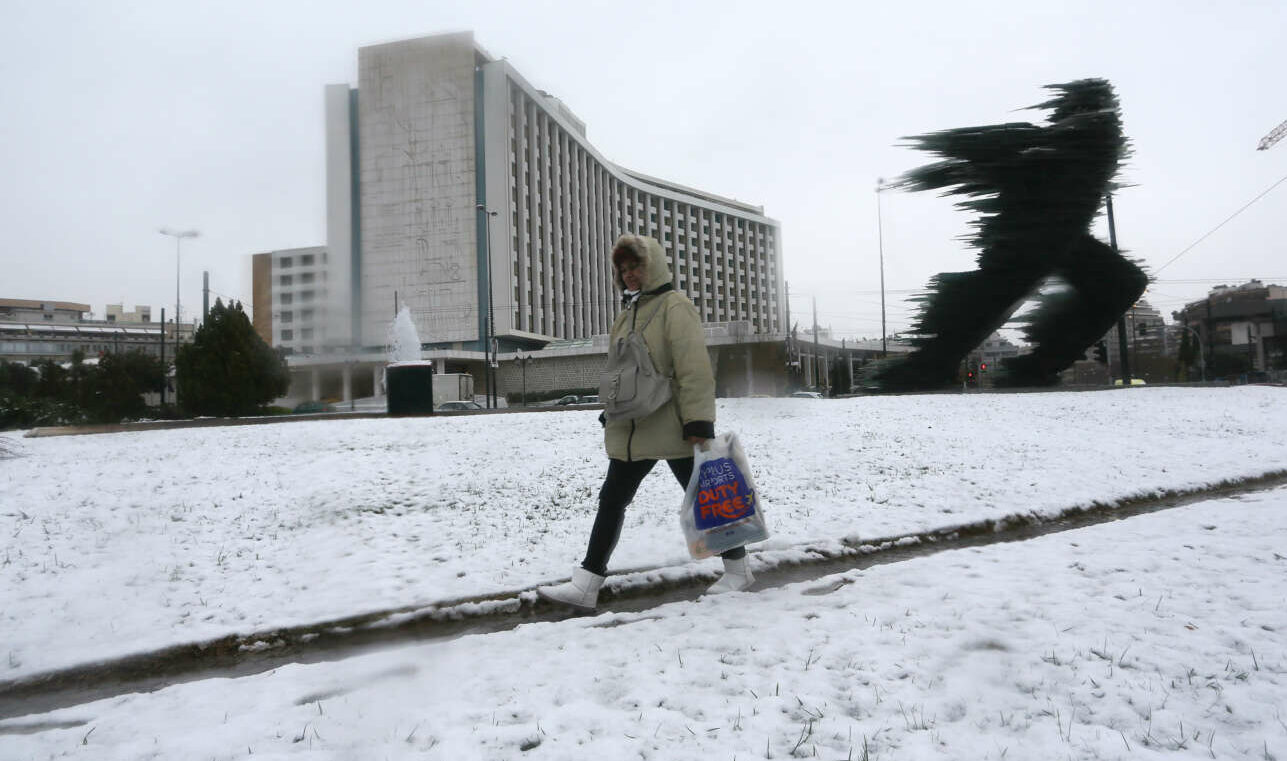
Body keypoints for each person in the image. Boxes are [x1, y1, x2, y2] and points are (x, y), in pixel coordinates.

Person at [537, 234, 754, 612]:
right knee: (611, 500)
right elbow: (622, 369)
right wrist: (613, 407)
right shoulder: (628, 313)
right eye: (623, 269)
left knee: (708, 497)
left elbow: (694, 369)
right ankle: (588, 583)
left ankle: (738, 570)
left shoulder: (675, 307)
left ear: (652, 265)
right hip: (633, 426)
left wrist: (699, 421)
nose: (630, 274)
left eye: (635, 266)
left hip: (673, 425)